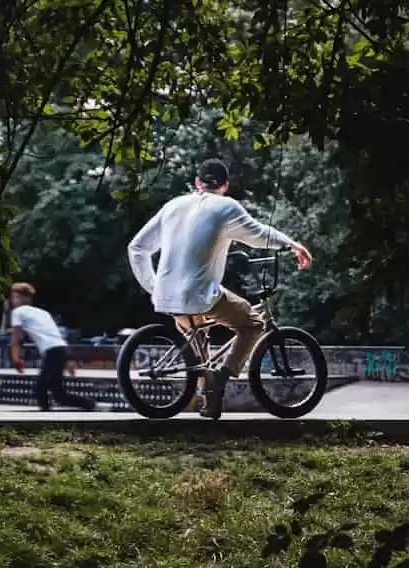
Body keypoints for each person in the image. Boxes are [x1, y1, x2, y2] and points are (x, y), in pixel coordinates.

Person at [126, 158, 312, 419]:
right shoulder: (226, 207)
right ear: (225, 186)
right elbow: (259, 235)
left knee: (200, 348)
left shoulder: (173, 206)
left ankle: (210, 403)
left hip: (167, 297)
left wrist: (153, 286)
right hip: (201, 296)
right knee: (253, 324)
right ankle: (223, 377)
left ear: (197, 183)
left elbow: (137, 248)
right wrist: (291, 244)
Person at [7, 281, 111, 412]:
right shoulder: (43, 313)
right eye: (13, 297)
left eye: (17, 297)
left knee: (42, 389)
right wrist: (69, 358)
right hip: (61, 350)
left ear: (27, 298)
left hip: (52, 352)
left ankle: (92, 406)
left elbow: (16, 338)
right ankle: (92, 406)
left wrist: (15, 358)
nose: (14, 300)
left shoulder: (17, 312)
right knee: (55, 393)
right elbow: (55, 335)